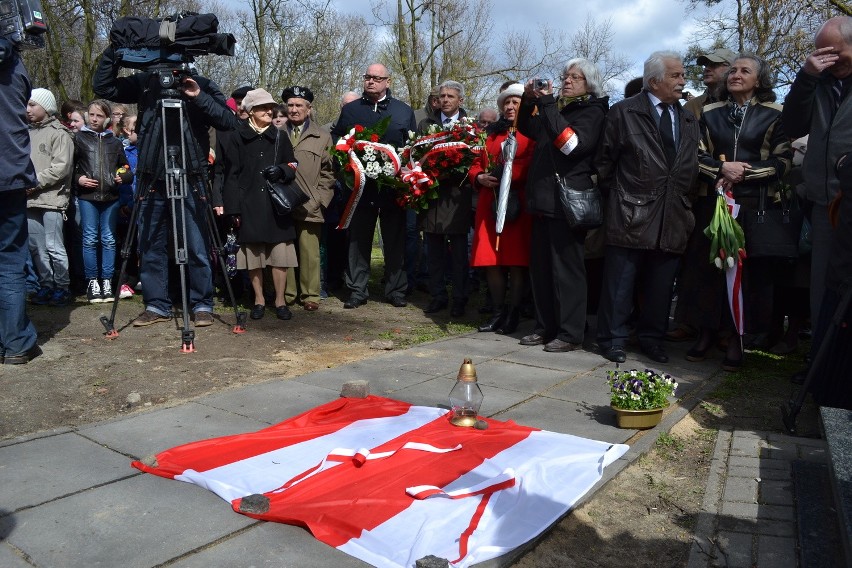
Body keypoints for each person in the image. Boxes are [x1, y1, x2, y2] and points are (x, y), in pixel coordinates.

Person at [94, 44, 239, 327]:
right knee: (150, 244)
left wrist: (197, 95)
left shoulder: (202, 84)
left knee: (197, 243)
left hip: (190, 174)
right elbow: (104, 87)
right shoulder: (146, 84)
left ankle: (201, 305)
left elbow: (227, 121)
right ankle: (156, 304)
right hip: (152, 175)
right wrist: (115, 51)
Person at [685, 54, 792, 371]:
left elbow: (782, 162)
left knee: (745, 275)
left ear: (759, 80)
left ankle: (736, 338)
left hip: (753, 205)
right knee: (708, 270)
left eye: (745, 70)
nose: (735, 74)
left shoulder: (776, 114)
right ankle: (705, 332)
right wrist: (720, 168)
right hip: (713, 202)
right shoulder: (708, 112)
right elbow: (693, 154)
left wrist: (742, 173)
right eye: (732, 70)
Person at [595, 51, 700, 364]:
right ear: (654, 81)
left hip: (674, 213)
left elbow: (689, 161)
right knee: (620, 282)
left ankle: (651, 338)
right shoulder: (624, 112)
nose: (683, 81)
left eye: (683, 75)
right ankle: (612, 339)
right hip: (630, 211)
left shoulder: (687, 117)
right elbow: (604, 162)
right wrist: (622, 197)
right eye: (676, 76)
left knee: (661, 284)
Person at [516, 59, 609, 352]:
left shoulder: (592, 112)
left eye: (575, 77)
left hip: (568, 201)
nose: (567, 81)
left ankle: (571, 333)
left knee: (567, 271)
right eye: (565, 76)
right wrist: (529, 100)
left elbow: (571, 146)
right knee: (542, 269)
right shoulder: (556, 108)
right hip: (543, 200)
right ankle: (545, 327)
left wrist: (546, 106)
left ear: (589, 84)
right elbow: (528, 129)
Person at [783, 15, 852, 376]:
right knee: (823, 286)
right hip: (825, 204)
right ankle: (820, 368)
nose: (827, 58)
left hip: (851, 198)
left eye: (834, 51)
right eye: (820, 52)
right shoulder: (819, 82)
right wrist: (807, 77)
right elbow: (793, 125)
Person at [331, 63, 416, 309]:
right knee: (358, 239)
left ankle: (396, 289)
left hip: (392, 188)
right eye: (367, 77)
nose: (371, 81)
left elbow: (411, 147)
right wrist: (345, 162)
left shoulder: (403, 110)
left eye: (377, 78)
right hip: (360, 188)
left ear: (388, 82)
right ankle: (357, 289)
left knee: (395, 240)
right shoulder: (351, 110)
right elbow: (338, 139)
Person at [213, 88, 298, 321]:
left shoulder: (280, 136)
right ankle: (259, 299)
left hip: (276, 205)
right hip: (248, 204)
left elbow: (293, 165)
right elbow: (230, 176)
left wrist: (281, 170)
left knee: (280, 256)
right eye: (263, 108)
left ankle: (280, 301)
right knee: (254, 256)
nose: (269, 111)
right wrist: (232, 209)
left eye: (270, 107)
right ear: (250, 111)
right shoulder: (236, 137)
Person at [469, 83, 534, 334]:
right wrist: (479, 177)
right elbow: (475, 161)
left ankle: (514, 313)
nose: (509, 106)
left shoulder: (532, 133)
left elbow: (531, 163)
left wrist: (509, 172)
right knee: (492, 260)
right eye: (506, 103)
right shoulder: (491, 135)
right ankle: (498, 312)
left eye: (515, 102)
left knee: (516, 261)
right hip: (490, 202)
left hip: (518, 205)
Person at [0, 45, 41, 364]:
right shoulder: (16, 67)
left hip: (11, 176)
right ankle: (15, 342)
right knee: (11, 262)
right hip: (10, 175)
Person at [417, 80, 473, 317]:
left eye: (451, 96)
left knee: (459, 254)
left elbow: (474, 159)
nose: (446, 100)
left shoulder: (469, 126)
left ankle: (460, 297)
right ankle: (438, 295)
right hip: (432, 195)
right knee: (434, 252)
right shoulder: (425, 124)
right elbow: (416, 155)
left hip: (457, 197)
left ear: (460, 100)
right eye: (442, 96)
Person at [281, 86, 335, 312]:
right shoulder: (277, 133)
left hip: (309, 204)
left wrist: (320, 200)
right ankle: (288, 293)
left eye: (299, 105)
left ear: (309, 109)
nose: (294, 110)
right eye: (290, 105)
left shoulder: (322, 136)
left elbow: (329, 173)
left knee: (309, 252)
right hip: (281, 204)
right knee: (285, 250)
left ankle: (311, 294)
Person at [73, 99, 129, 304]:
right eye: (92, 114)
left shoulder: (114, 141)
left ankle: (107, 280)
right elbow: (71, 167)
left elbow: (125, 167)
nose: (95, 118)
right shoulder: (78, 139)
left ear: (107, 119)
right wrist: (77, 178)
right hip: (88, 197)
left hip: (111, 197)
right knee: (89, 238)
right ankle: (92, 282)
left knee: (109, 239)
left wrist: (122, 176)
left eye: (99, 115)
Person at [26, 88, 74, 307]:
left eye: (33, 105)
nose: (28, 110)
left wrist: (34, 183)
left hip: (52, 199)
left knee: (54, 245)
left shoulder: (59, 133)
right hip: (29, 199)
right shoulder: (25, 133)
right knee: (37, 246)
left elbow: (61, 167)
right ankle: (46, 285)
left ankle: (62, 287)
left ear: (45, 107)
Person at [684, 48, 736, 118]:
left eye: (714, 64)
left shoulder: (747, 102)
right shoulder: (691, 107)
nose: (706, 69)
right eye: (706, 65)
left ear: (731, 69)